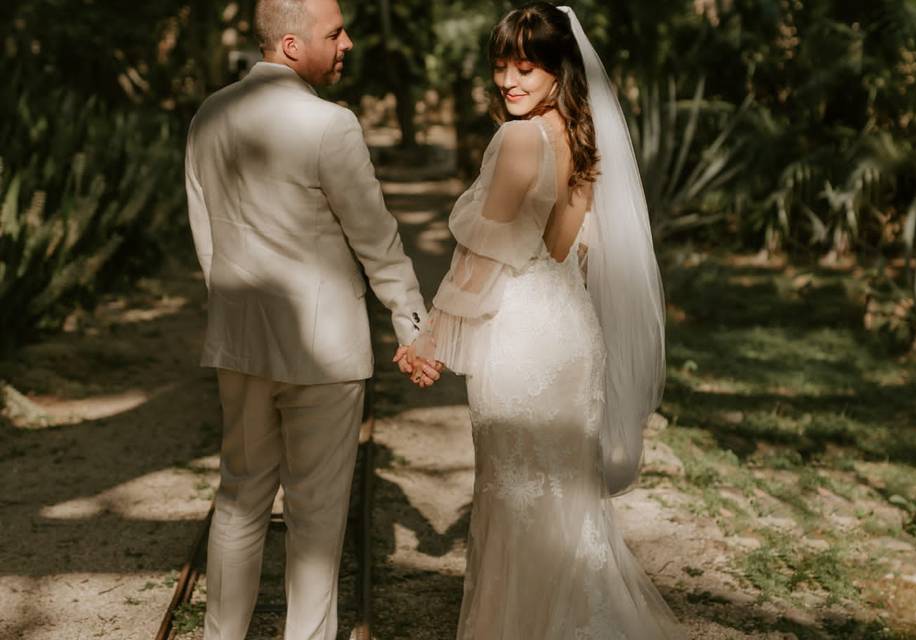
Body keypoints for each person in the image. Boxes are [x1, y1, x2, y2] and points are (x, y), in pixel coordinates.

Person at [399, 3, 685, 638]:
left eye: (526, 67)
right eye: (502, 66)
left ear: (560, 68)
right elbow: (560, 249)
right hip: (570, 332)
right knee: (566, 500)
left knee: (514, 495)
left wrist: (431, 336)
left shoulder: (519, 138)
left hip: (523, 336)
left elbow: (484, 253)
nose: (510, 81)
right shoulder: (581, 137)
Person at [184, 0, 440, 637]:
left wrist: (232, 313)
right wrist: (414, 324)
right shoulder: (332, 125)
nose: (348, 41)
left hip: (239, 343)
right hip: (323, 353)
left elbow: (206, 238)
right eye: (336, 32)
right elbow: (376, 238)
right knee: (318, 519)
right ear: (293, 46)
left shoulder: (209, 114)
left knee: (239, 502)